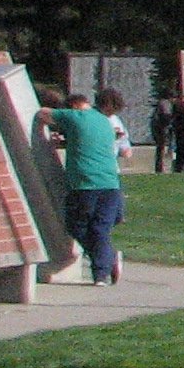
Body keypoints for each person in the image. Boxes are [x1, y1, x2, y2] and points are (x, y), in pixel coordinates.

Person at [37, 91, 124, 285]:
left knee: (77, 226)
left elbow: (42, 113)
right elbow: (87, 143)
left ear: (74, 105)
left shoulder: (75, 115)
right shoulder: (104, 122)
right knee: (100, 228)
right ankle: (104, 266)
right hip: (111, 184)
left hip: (85, 184)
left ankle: (104, 266)